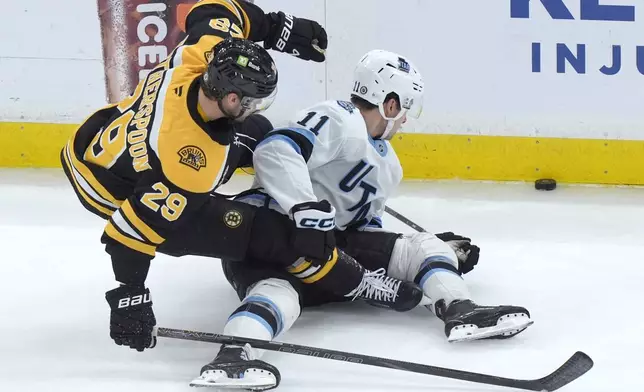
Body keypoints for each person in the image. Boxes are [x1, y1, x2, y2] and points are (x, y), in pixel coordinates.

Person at [61, 0, 424, 355]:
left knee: (262, 134)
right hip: (110, 189)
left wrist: (278, 28)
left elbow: (216, 9)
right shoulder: (190, 166)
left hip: (100, 138)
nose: (256, 108)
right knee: (270, 232)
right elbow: (130, 233)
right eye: (253, 101)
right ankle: (358, 283)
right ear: (232, 98)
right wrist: (129, 296)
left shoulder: (199, 54)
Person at [190, 50, 534, 390]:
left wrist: (433, 259)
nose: (405, 121)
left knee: (422, 247)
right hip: (265, 238)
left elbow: (363, 233)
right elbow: (275, 151)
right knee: (278, 293)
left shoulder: (390, 167)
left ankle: (460, 309)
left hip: (327, 254)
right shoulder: (339, 117)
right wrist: (305, 208)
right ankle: (232, 355)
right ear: (391, 104)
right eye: (405, 111)